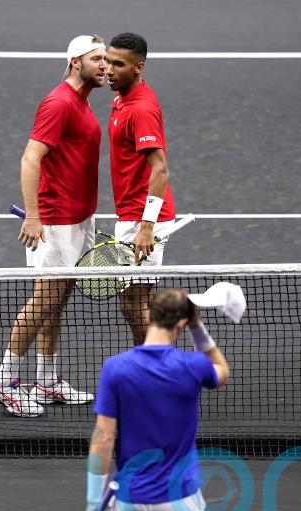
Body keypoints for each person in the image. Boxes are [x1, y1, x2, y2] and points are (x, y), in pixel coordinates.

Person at [0, 35, 107, 417]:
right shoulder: (58, 103)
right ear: (75, 62)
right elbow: (30, 158)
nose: (105, 66)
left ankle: (47, 380)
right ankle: (3, 382)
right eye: (97, 59)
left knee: (57, 302)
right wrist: (35, 216)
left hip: (79, 218)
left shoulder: (81, 103)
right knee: (43, 302)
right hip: (55, 221)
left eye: (106, 59)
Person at [82, 288, 230, 511]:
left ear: (149, 314)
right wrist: (197, 326)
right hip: (179, 501)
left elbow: (103, 438)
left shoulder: (115, 368)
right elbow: (221, 369)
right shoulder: (194, 366)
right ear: (182, 323)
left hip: (131, 501)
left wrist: (92, 504)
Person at [105, 32, 176, 346]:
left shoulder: (140, 110)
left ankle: (155, 369)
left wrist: (147, 226)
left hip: (144, 218)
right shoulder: (121, 98)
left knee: (134, 302)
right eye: (107, 61)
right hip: (132, 213)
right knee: (135, 301)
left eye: (118, 64)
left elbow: (160, 168)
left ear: (138, 68)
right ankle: (153, 366)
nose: (108, 69)